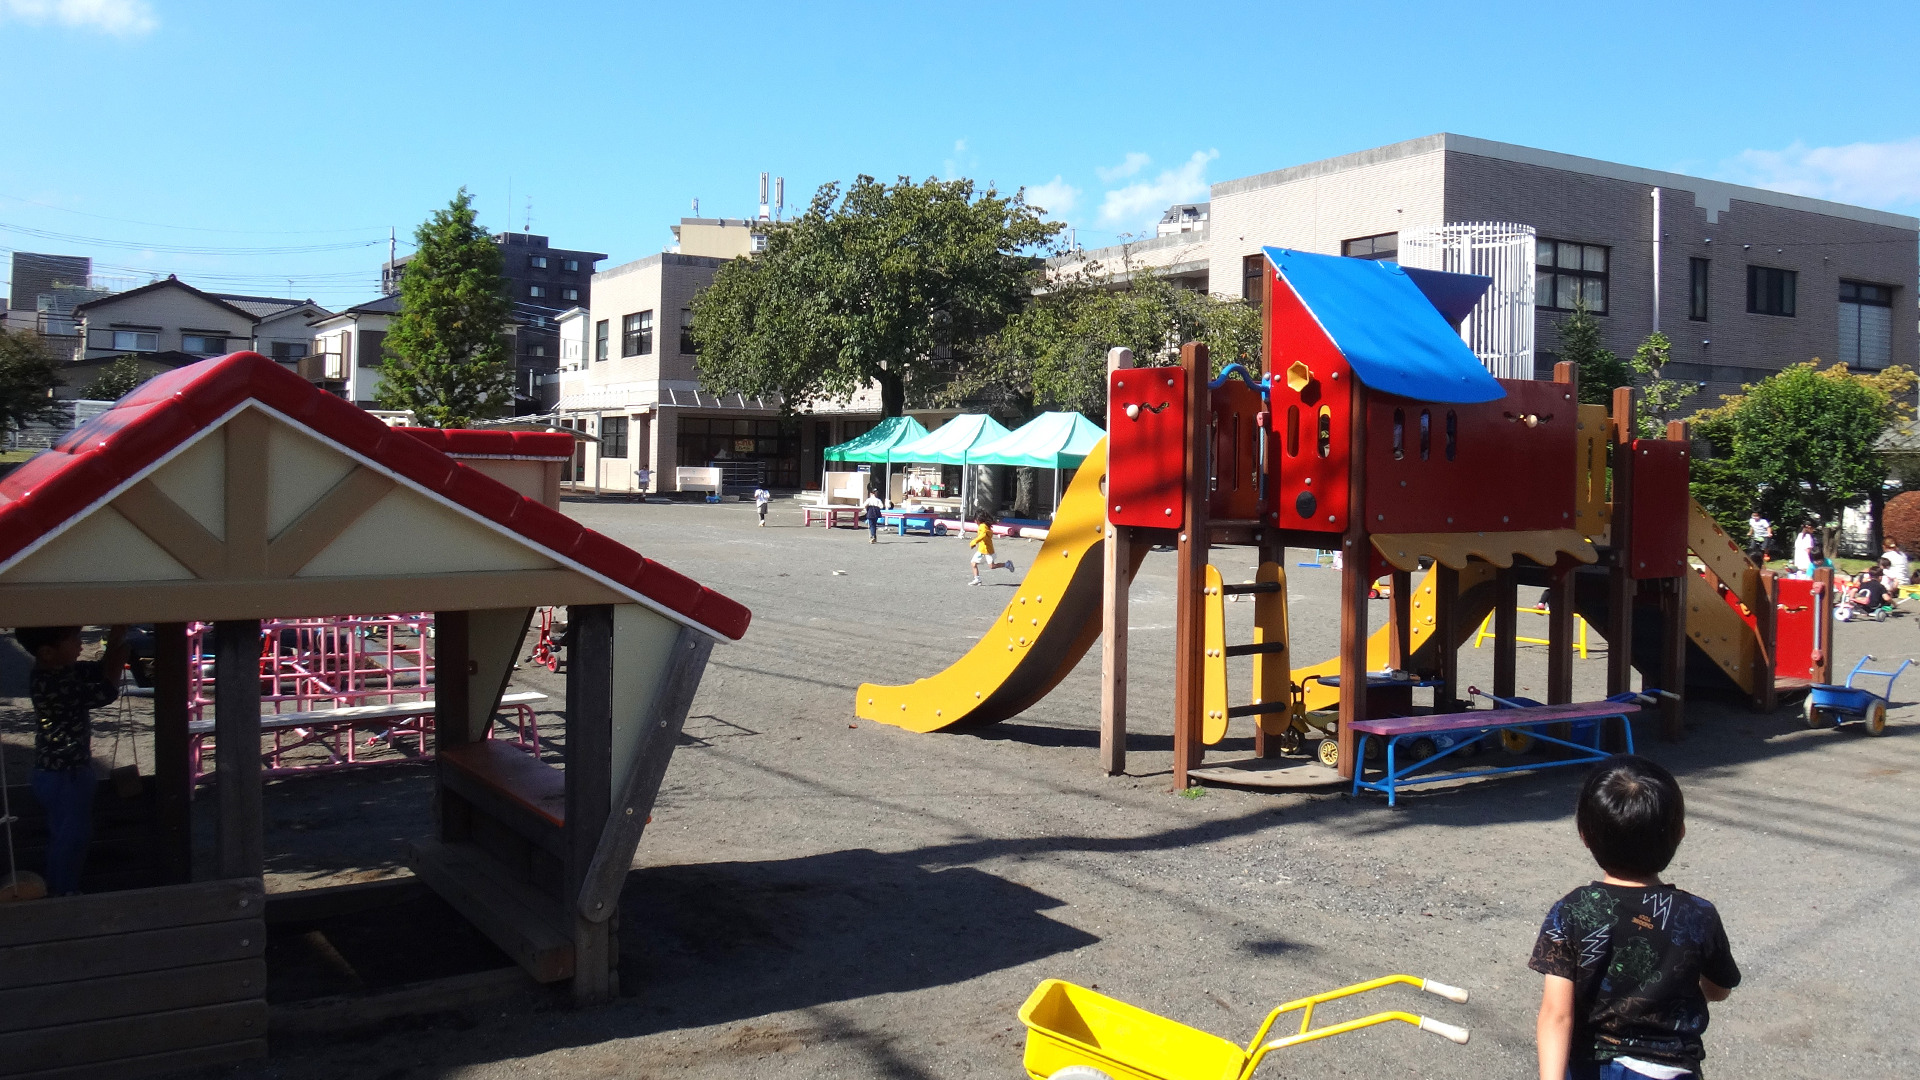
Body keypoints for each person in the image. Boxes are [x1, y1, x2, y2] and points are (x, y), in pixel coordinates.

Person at [1532, 755, 1740, 1080]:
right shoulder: (1698, 915)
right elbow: (1719, 989)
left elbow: (1556, 1015)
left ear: (1584, 835)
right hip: (1670, 1069)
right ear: (1680, 832)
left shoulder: (1572, 911)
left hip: (1590, 1067)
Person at [16, 625, 128, 896]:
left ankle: (64, 889)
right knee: (71, 838)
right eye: (72, 639)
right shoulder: (50, 682)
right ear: (47, 652)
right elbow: (105, 692)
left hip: (65, 773)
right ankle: (62, 893)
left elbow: (97, 671)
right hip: (63, 775)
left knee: (71, 836)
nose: (80, 643)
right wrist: (117, 659)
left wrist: (115, 642)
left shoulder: (61, 671)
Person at [968, 516, 1016, 584]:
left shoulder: (982, 526)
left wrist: (974, 541)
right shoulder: (984, 526)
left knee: (992, 566)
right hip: (981, 550)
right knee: (973, 563)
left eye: (975, 520)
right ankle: (977, 579)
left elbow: (983, 535)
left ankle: (1007, 564)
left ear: (978, 520)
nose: (974, 522)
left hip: (988, 550)